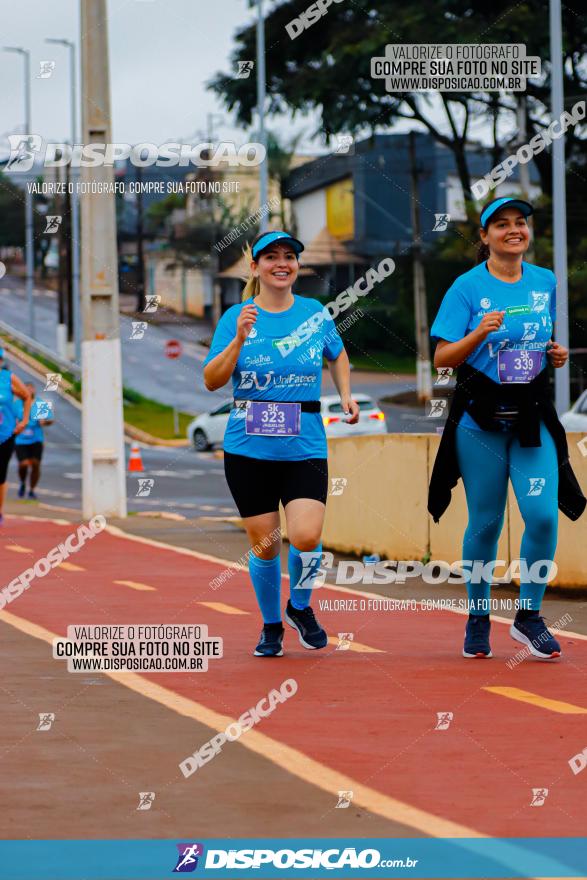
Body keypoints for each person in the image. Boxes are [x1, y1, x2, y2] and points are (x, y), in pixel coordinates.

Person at [428, 196, 585, 660]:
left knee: (540, 514)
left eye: (521, 223)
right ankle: (478, 617)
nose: (513, 230)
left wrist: (553, 354)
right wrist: (478, 335)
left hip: (531, 415)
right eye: (501, 225)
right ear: (485, 236)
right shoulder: (465, 287)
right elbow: (440, 358)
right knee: (487, 520)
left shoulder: (545, 281)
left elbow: (534, 344)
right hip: (480, 418)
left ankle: (528, 616)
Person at [203, 230, 359, 657]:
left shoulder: (314, 313)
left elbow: (338, 354)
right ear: (255, 267)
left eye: (289, 256)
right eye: (270, 256)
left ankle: (300, 607)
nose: (281, 263)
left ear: (296, 266)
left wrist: (345, 394)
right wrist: (237, 339)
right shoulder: (236, 316)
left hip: (304, 445)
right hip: (248, 450)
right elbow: (212, 380)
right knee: (266, 543)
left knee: (307, 536)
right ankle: (271, 626)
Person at [0, 365, 32, 526]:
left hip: (9, 435)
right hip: (13, 436)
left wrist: (25, 421)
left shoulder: (8, 379)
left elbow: (27, 397)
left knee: (1, 474)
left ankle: (0, 512)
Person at [14, 383, 53, 500]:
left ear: (34, 390)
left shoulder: (39, 404)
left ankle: (32, 490)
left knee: (36, 464)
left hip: (36, 439)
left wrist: (44, 422)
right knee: (24, 464)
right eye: (26, 389)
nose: (29, 391)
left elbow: (50, 420)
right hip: (20, 440)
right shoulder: (16, 405)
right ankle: (22, 483)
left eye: (31, 389)